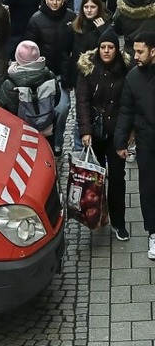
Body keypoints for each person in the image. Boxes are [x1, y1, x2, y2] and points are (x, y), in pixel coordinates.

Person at [77, 27, 129, 241]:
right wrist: (85, 130)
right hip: (96, 133)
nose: (106, 51)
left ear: (117, 50)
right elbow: (82, 101)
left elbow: (128, 104)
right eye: (103, 47)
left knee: (117, 178)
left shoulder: (125, 70)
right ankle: (97, 215)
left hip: (116, 133)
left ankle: (119, 222)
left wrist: (128, 133)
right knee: (96, 178)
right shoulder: (88, 70)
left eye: (110, 47)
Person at [115, 29, 155, 257]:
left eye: (140, 51)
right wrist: (121, 142)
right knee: (149, 189)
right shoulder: (133, 78)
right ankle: (153, 233)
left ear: (153, 51)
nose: (135, 55)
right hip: (147, 142)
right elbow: (126, 112)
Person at [26, 0, 74, 156]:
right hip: (44, 75)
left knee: (62, 109)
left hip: (63, 73)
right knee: (45, 110)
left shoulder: (71, 17)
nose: (55, 2)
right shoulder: (36, 20)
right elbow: (30, 48)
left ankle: (58, 140)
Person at [0, 40, 59, 143]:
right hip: (46, 129)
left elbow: (3, 109)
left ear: (17, 58)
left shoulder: (10, 84)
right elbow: (56, 99)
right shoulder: (50, 76)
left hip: (21, 133)